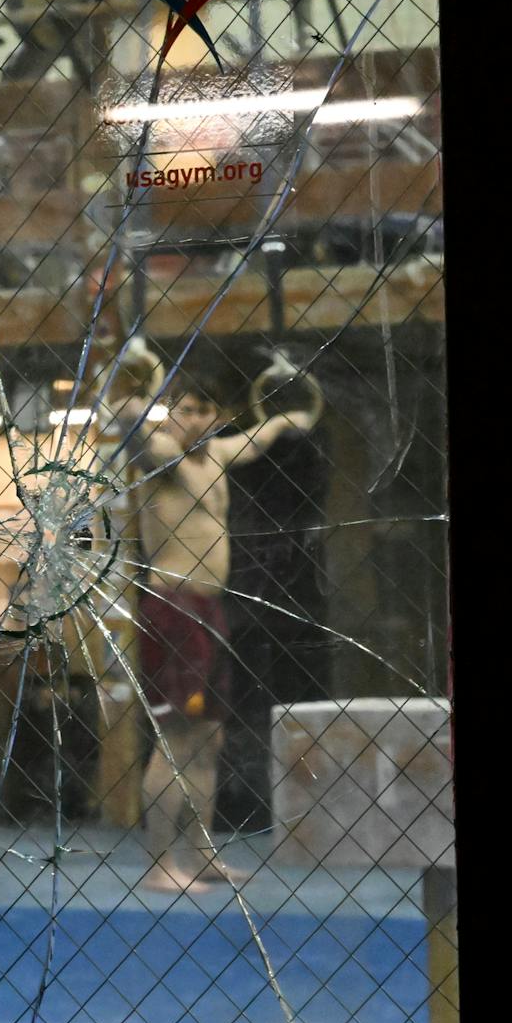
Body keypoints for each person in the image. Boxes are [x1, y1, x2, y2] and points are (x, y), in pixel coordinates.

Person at [105, 342, 323, 894]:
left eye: (205, 410)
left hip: (209, 610)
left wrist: (293, 396)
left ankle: (200, 854)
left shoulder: (220, 455)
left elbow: (271, 431)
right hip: (173, 608)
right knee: (175, 740)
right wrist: (142, 380)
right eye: (184, 408)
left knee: (210, 739)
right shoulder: (161, 458)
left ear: (220, 417)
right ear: (171, 412)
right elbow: (127, 417)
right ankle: (159, 867)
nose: (195, 419)